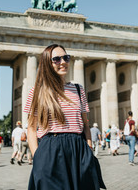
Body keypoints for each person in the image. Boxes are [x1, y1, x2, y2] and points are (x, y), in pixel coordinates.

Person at [24, 44, 106, 190]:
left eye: (66, 58)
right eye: (56, 59)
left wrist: (89, 151)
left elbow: (85, 125)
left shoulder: (78, 90)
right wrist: (38, 158)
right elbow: (31, 128)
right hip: (50, 150)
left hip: (79, 149)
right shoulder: (37, 92)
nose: (63, 62)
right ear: (47, 64)